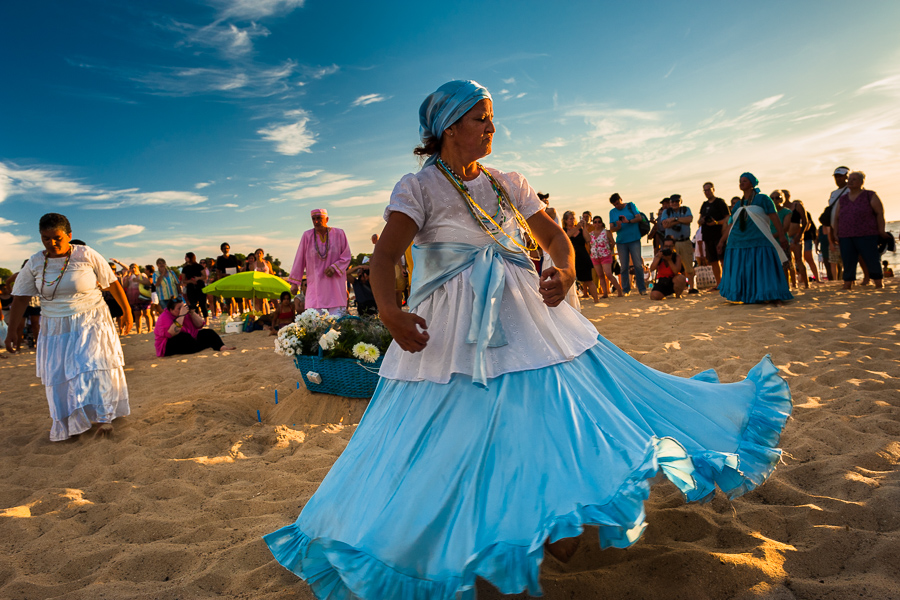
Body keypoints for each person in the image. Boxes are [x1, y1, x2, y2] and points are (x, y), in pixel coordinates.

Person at [264, 80, 792, 600]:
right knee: (457, 422)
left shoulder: (506, 181)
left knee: (545, 407)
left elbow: (555, 238)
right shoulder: (418, 187)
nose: (492, 127)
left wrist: (562, 271)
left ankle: (556, 523)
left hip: (524, 315)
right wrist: (390, 312)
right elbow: (384, 259)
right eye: (481, 118)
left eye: (492, 118)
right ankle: (469, 534)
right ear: (449, 127)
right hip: (451, 325)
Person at [4, 213, 131, 440]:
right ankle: (71, 421)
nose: (52, 243)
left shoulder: (86, 254)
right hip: (55, 326)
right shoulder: (35, 262)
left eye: (57, 238)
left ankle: (104, 418)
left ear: (69, 236)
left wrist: (127, 312)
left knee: (93, 365)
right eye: (45, 238)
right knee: (62, 373)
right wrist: (12, 329)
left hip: (92, 320)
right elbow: (20, 297)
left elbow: (112, 284)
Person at [717, 173, 792, 304]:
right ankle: (747, 295)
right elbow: (731, 224)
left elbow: (774, 217)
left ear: (752, 183)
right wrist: (722, 241)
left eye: (745, 181)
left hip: (759, 239)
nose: (741, 183)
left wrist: (781, 235)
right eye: (740, 181)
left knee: (763, 268)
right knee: (743, 270)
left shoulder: (763, 199)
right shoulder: (737, 204)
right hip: (738, 242)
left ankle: (770, 294)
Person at [830, 171, 889, 290]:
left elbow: (879, 213)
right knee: (848, 260)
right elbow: (837, 217)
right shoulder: (843, 199)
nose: (850, 181)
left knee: (871, 258)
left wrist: (881, 230)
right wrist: (836, 232)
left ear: (862, 182)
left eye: (854, 179)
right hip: (846, 234)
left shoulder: (869, 195)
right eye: (849, 179)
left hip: (867, 233)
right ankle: (847, 284)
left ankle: (878, 282)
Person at [287, 209, 352, 315]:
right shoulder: (307, 235)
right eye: (313, 219)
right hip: (315, 288)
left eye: (319, 218)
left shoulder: (339, 233)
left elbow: (346, 256)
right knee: (315, 324)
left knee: (337, 326)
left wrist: (334, 267)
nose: (316, 221)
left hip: (336, 288)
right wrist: (295, 283)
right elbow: (299, 259)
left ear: (327, 219)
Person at [153, 298, 234, 356]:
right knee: (184, 337)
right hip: (168, 344)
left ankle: (222, 347)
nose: (182, 309)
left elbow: (200, 324)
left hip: (189, 339)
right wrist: (181, 315)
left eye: (182, 306)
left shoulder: (185, 312)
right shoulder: (164, 317)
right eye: (179, 308)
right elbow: (171, 333)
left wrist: (192, 313)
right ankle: (205, 345)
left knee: (208, 332)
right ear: (171, 310)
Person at [608, 192, 647, 295]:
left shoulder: (630, 205)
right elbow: (611, 228)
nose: (617, 206)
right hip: (621, 241)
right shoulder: (612, 212)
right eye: (615, 205)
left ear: (621, 199)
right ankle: (626, 289)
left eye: (617, 203)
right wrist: (618, 227)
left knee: (638, 265)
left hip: (634, 239)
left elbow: (639, 218)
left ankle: (642, 289)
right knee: (624, 266)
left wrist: (628, 221)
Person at [660, 194, 697, 293]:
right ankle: (675, 287)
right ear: (670, 203)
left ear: (681, 201)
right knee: (672, 266)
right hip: (672, 244)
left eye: (677, 201)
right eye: (673, 202)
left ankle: (691, 288)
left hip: (685, 241)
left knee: (688, 265)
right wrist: (680, 221)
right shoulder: (666, 212)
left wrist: (673, 219)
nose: (675, 203)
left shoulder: (686, 209)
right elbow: (665, 224)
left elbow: (690, 219)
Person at [698, 182, 730, 287]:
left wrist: (716, 222)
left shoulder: (720, 202)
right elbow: (699, 220)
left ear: (713, 189)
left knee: (723, 259)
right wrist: (702, 220)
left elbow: (728, 218)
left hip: (719, 235)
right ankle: (719, 283)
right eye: (705, 190)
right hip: (707, 236)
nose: (707, 192)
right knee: (713, 261)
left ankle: (727, 282)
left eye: (708, 190)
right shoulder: (704, 204)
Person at [563, 210, 599, 302]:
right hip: (570, 257)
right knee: (569, 281)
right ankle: (570, 301)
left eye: (573, 218)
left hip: (582, 256)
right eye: (570, 219)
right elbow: (566, 237)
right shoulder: (564, 230)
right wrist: (577, 227)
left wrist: (584, 228)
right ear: (566, 220)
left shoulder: (580, 229)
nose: (572, 220)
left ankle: (596, 299)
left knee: (588, 280)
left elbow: (588, 239)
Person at [584, 215, 622, 297]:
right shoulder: (591, 234)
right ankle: (605, 293)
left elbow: (613, 242)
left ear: (601, 223)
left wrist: (609, 250)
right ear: (593, 223)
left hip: (605, 255)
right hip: (595, 256)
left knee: (608, 274)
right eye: (595, 222)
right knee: (600, 275)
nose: (597, 224)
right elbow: (588, 244)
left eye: (599, 222)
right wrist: (590, 252)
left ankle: (619, 290)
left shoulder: (606, 232)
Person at [649, 236, 688, 300]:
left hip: (673, 281)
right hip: (662, 281)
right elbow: (652, 269)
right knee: (654, 296)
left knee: (680, 278)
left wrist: (669, 260)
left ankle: (677, 295)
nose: (668, 248)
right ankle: (665, 295)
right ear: (663, 247)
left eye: (670, 246)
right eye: (666, 246)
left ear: (673, 247)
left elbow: (676, 271)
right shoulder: (659, 256)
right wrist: (658, 258)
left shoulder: (676, 256)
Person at [181, 252, 208, 318]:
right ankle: (197, 318)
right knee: (193, 304)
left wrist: (198, 278)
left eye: (186, 257)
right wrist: (190, 281)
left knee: (203, 303)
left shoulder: (199, 266)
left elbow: (205, 276)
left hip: (200, 286)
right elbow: (183, 280)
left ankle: (206, 319)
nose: (185, 258)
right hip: (190, 287)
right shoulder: (185, 268)